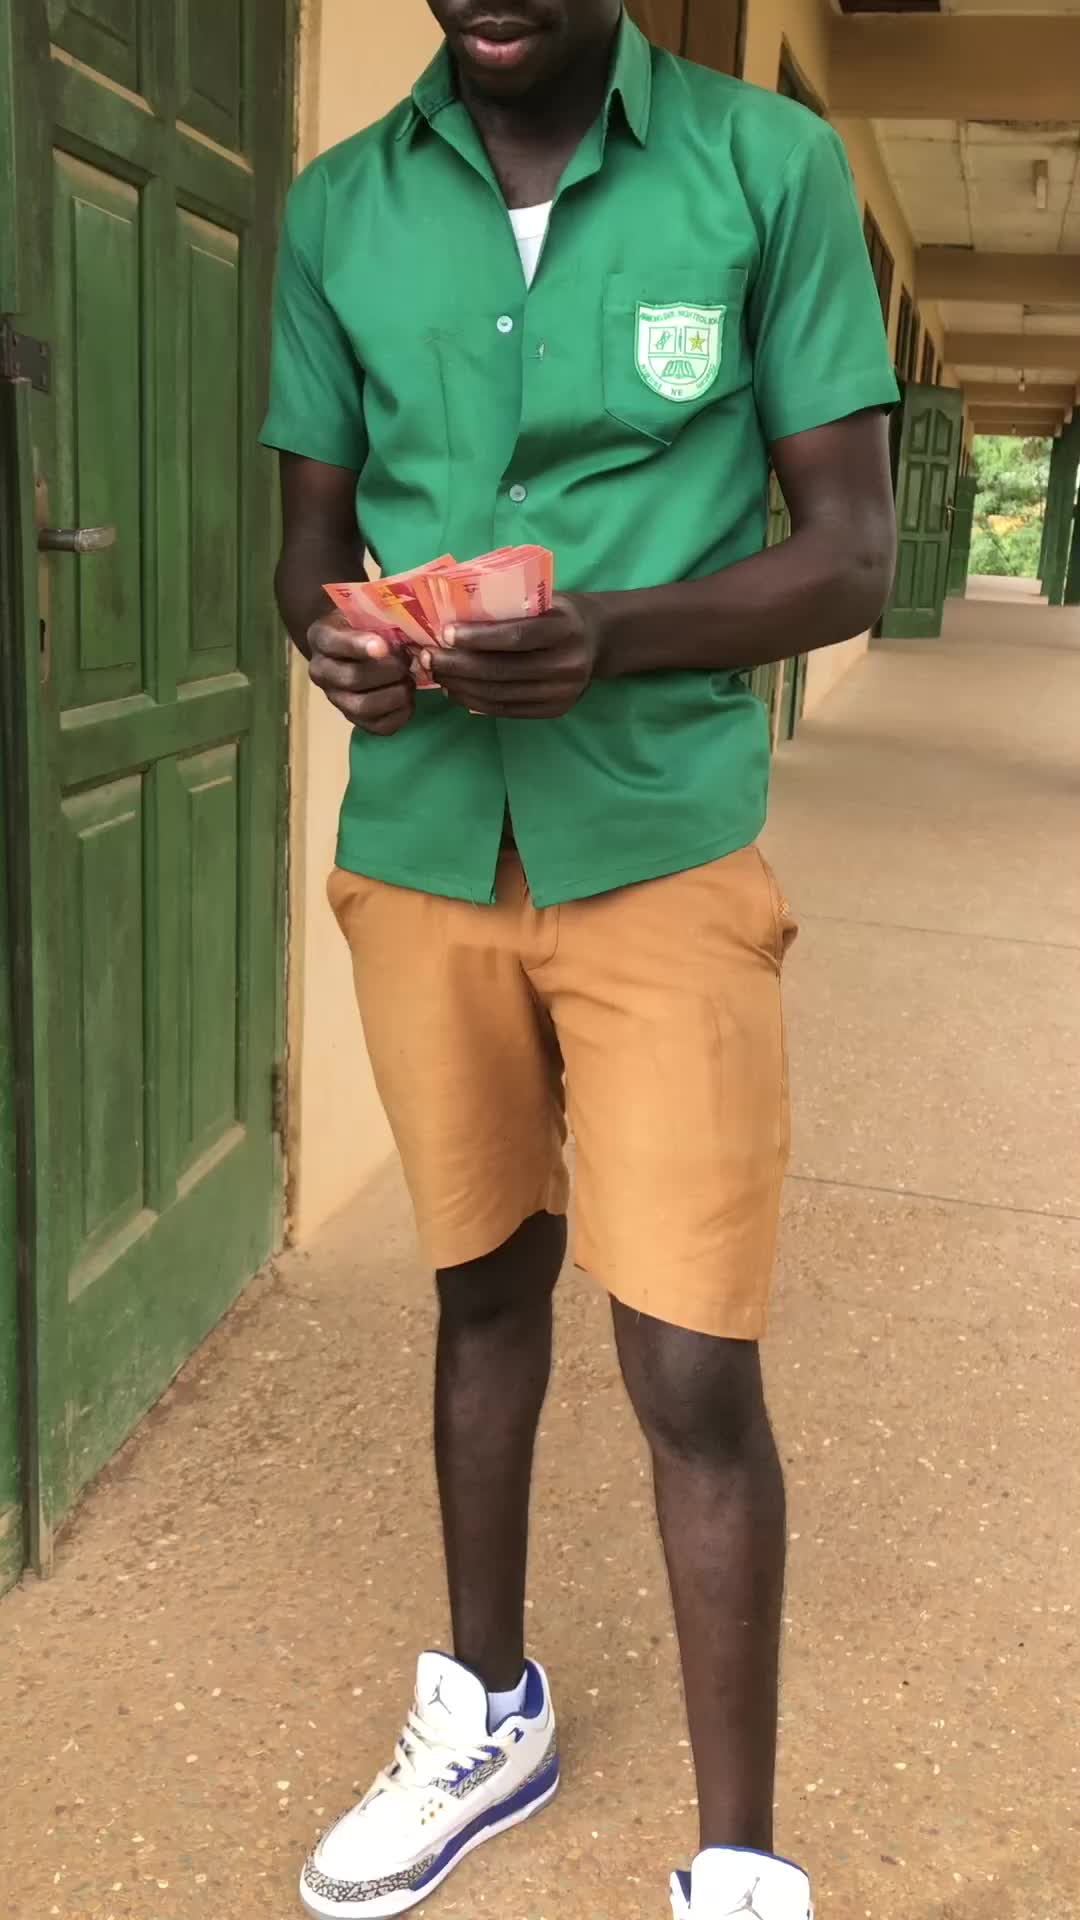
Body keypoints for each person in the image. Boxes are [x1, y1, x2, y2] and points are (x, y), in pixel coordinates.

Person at [261, 4, 898, 1916]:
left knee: (690, 1358)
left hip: (659, 848)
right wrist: (338, 641)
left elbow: (851, 552)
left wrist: (611, 635)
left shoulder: (764, 168)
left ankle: (738, 1859)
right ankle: (490, 1712)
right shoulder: (339, 209)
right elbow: (307, 542)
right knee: (482, 1290)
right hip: (426, 851)